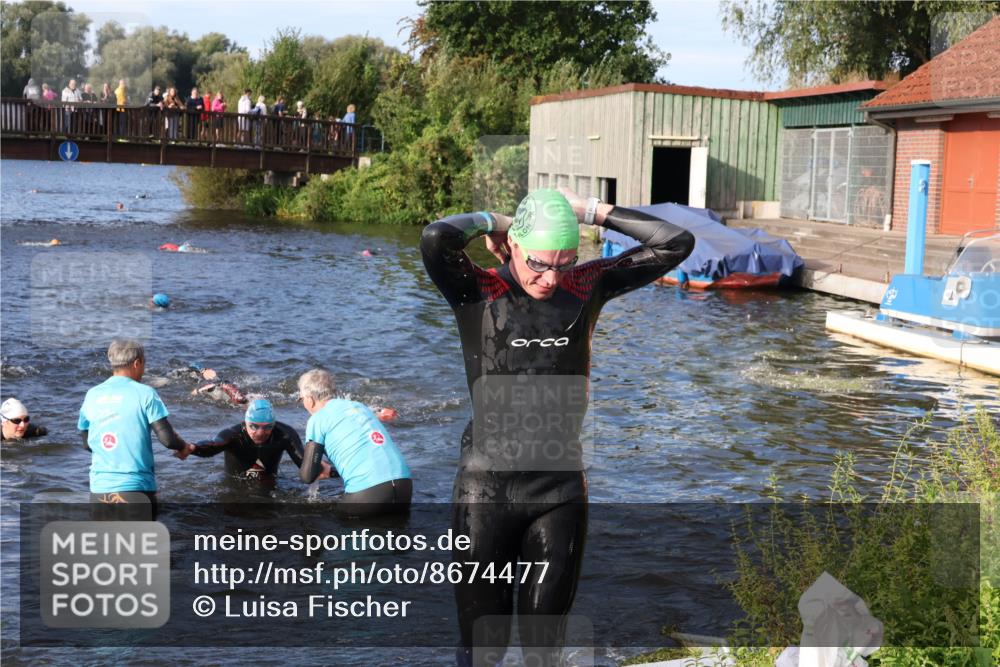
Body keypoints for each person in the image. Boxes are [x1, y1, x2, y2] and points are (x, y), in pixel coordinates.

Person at [420, 188, 695, 666]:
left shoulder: (585, 286)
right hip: (485, 493)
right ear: (514, 246)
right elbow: (436, 238)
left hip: (559, 492)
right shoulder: (478, 291)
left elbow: (675, 242)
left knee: (543, 647)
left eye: (564, 263)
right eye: (539, 264)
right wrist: (496, 219)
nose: (551, 278)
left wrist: (590, 210)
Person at [78, 339, 195, 517]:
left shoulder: (92, 394)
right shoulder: (145, 393)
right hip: (136, 488)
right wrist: (184, 447)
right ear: (137, 363)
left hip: (100, 490)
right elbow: (168, 439)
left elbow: (87, 443)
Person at [297, 369, 411, 516]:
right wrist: (331, 472)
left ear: (309, 399)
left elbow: (307, 476)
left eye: (300, 399)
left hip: (368, 494)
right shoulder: (360, 407)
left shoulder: (317, 419)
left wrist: (319, 469)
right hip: (404, 486)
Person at [191, 399, 304, 492]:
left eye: (267, 427)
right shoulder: (233, 435)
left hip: (269, 485)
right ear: (246, 422)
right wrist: (192, 448)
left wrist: (318, 468)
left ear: (273, 424)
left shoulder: (285, 434)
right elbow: (212, 447)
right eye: (254, 426)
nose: (260, 433)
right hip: (234, 486)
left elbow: (304, 464)